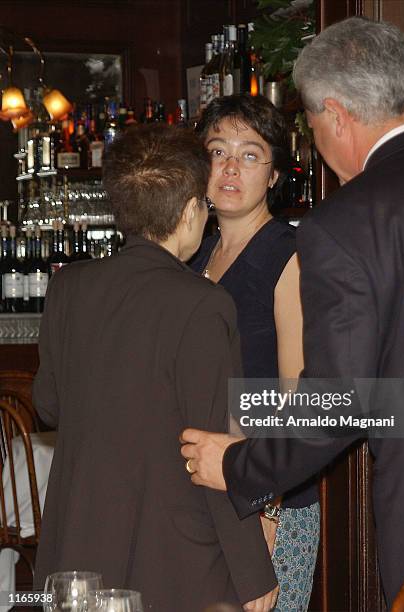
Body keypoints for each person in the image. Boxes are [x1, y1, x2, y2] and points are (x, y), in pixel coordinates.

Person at [181, 16, 404, 608]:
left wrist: (242, 466)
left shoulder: (345, 223)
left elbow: (337, 400)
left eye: (313, 124)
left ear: (337, 116)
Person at [32, 124, 278, 611]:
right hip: (176, 556)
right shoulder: (202, 303)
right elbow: (209, 447)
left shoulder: (69, 287)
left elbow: (48, 405)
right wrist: (252, 572)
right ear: (190, 211)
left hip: (79, 544)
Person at [191, 94, 320, 612]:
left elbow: (296, 393)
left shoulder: (288, 254)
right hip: (205, 488)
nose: (229, 167)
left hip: (269, 496)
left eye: (249, 154)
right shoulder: (194, 253)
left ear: (273, 175)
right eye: (217, 151)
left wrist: (268, 507)